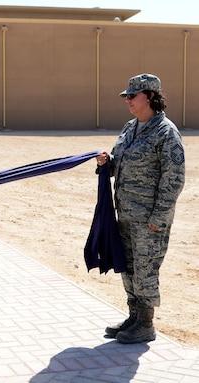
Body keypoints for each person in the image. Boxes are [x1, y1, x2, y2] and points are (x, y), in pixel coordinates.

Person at [96, 73, 185, 344]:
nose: (128, 101)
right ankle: (134, 317)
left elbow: (174, 178)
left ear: (149, 96)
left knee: (146, 270)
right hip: (125, 214)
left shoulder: (165, 131)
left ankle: (146, 324)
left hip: (149, 219)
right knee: (129, 267)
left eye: (132, 96)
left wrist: (159, 217)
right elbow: (118, 163)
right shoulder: (129, 128)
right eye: (126, 97)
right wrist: (105, 163)